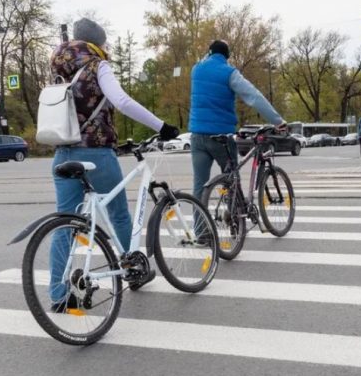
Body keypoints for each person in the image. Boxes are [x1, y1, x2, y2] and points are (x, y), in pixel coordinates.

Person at [49, 18, 179, 311]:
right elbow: (121, 100)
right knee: (119, 214)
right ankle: (134, 271)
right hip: (95, 153)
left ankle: (57, 294)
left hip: (62, 155)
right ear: (96, 42)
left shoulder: (59, 70)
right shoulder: (98, 66)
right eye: (104, 43)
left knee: (63, 225)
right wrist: (162, 125)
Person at [189, 40, 285, 202]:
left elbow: (206, 59)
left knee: (199, 186)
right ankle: (235, 221)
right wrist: (277, 120)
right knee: (232, 180)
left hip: (197, 136)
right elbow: (253, 96)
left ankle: (200, 228)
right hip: (222, 138)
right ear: (226, 57)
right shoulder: (229, 73)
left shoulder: (196, 70)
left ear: (210, 53)